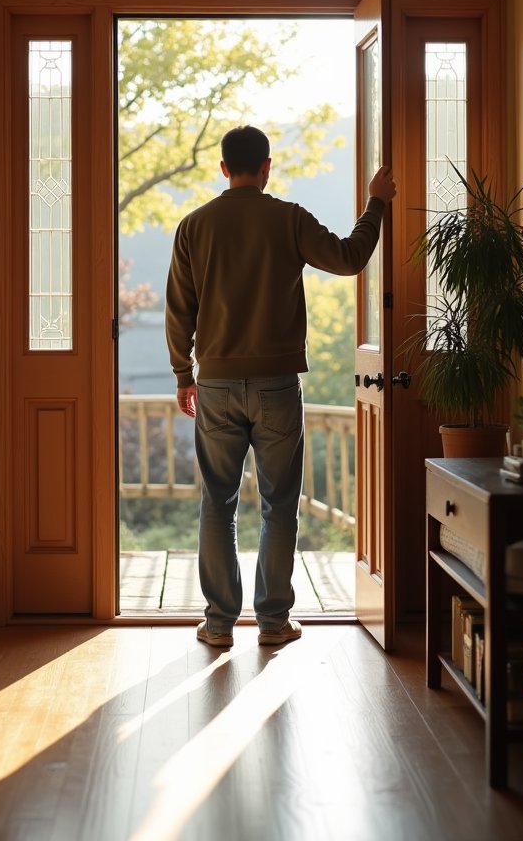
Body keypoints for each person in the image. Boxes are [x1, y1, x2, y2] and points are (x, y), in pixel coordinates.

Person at [165, 125, 397, 649]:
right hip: (276, 386)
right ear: (266, 166)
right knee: (279, 504)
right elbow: (349, 258)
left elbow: (179, 310)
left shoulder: (194, 226)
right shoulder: (288, 219)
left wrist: (184, 374)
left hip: (216, 385)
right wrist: (375, 204)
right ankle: (272, 622)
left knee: (216, 503)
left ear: (223, 169)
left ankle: (219, 623)